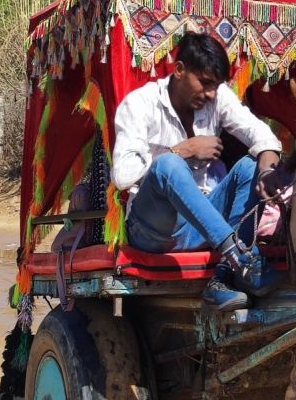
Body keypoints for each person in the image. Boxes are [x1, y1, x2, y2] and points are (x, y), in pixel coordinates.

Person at [110, 31, 283, 312]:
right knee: (169, 165)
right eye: (204, 83)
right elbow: (123, 175)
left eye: (216, 86)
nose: (211, 93)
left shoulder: (216, 97)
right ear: (179, 70)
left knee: (250, 166)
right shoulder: (139, 103)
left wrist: (266, 171)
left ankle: (223, 279)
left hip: (200, 227)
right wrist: (184, 149)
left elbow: (258, 132)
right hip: (153, 230)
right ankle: (240, 259)